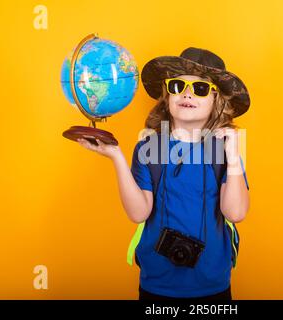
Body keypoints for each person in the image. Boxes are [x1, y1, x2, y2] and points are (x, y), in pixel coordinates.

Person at [77, 47, 250, 300]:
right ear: (167, 97)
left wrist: (233, 155)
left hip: (212, 284)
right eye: (178, 86)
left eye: (200, 89)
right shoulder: (149, 148)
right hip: (156, 284)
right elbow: (138, 213)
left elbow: (235, 212)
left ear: (217, 101)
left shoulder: (225, 150)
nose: (187, 94)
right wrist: (117, 157)